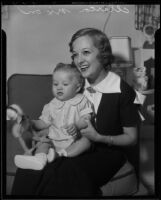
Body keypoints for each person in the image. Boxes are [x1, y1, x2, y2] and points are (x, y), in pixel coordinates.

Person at [11, 28, 140, 196]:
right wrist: (32, 125)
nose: (79, 60)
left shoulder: (123, 91)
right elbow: (55, 119)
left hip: (105, 152)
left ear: (103, 54)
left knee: (66, 172)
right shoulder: (72, 84)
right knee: (29, 169)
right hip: (70, 143)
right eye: (75, 54)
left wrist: (99, 137)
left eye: (85, 52)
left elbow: (131, 139)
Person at [13, 62, 94, 170]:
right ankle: (39, 159)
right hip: (53, 140)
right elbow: (43, 123)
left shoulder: (82, 100)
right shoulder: (51, 105)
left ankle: (60, 155)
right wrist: (30, 123)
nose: (59, 88)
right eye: (55, 84)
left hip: (74, 140)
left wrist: (77, 126)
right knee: (43, 143)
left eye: (65, 84)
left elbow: (86, 118)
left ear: (77, 87)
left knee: (86, 142)